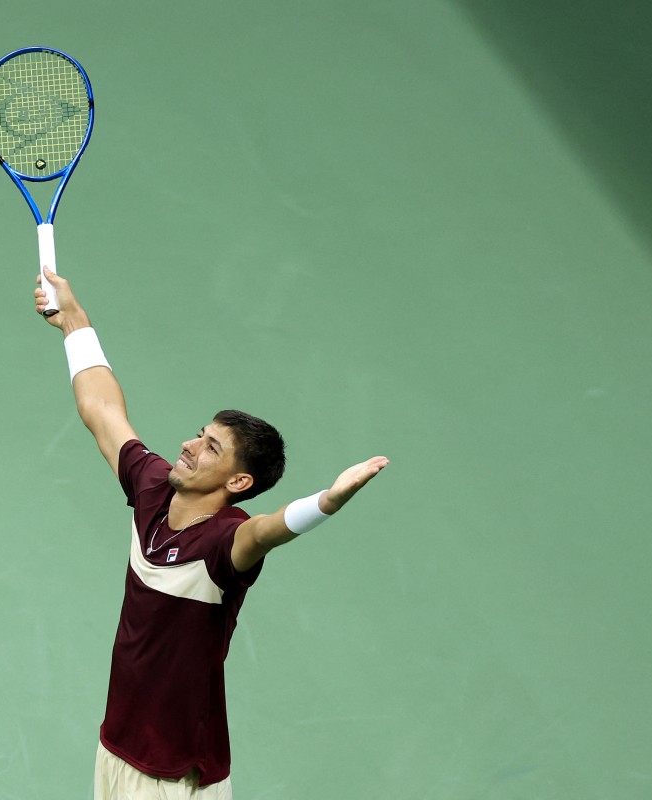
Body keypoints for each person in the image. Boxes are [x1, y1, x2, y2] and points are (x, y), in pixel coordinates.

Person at [34, 268, 389, 800]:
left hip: (174, 775)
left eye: (211, 449)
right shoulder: (153, 486)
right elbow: (101, 411)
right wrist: (75, 322)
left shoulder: (227, 543)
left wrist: (328, 502)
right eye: (201, 435)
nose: (190, 446)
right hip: (117, 745)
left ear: (239, 482)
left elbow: (270, 530)